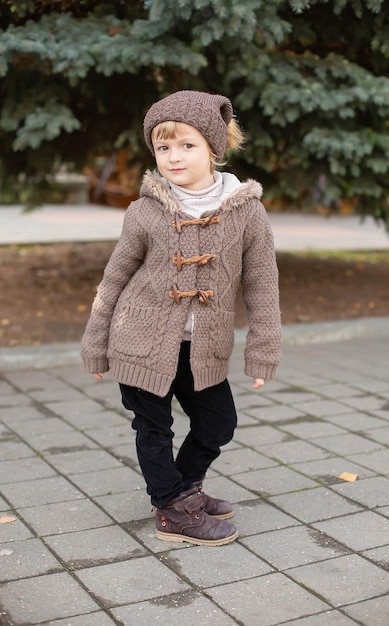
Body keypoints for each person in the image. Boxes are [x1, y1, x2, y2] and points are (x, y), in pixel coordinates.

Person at [81, 90, 281, 546]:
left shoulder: (247, 212)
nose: (173, 157)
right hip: (139, 340)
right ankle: (172, 508)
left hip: (203, 347)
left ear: (214, 147)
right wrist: (95, 343)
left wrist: (263, 348)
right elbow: (113, 279)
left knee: (218, 423)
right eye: (163, 147)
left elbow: (262, 284)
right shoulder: (144, 212)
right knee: (153, 427)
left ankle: (183, 487)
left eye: (186, 145)